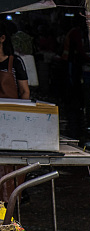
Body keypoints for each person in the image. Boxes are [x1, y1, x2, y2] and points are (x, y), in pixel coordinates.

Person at [0, 21, 31, 204]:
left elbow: (25, 92)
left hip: (13, 120)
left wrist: (23, 118)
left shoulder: (15, 61)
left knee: (13, 162)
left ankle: (14, 196)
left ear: (2, 38)